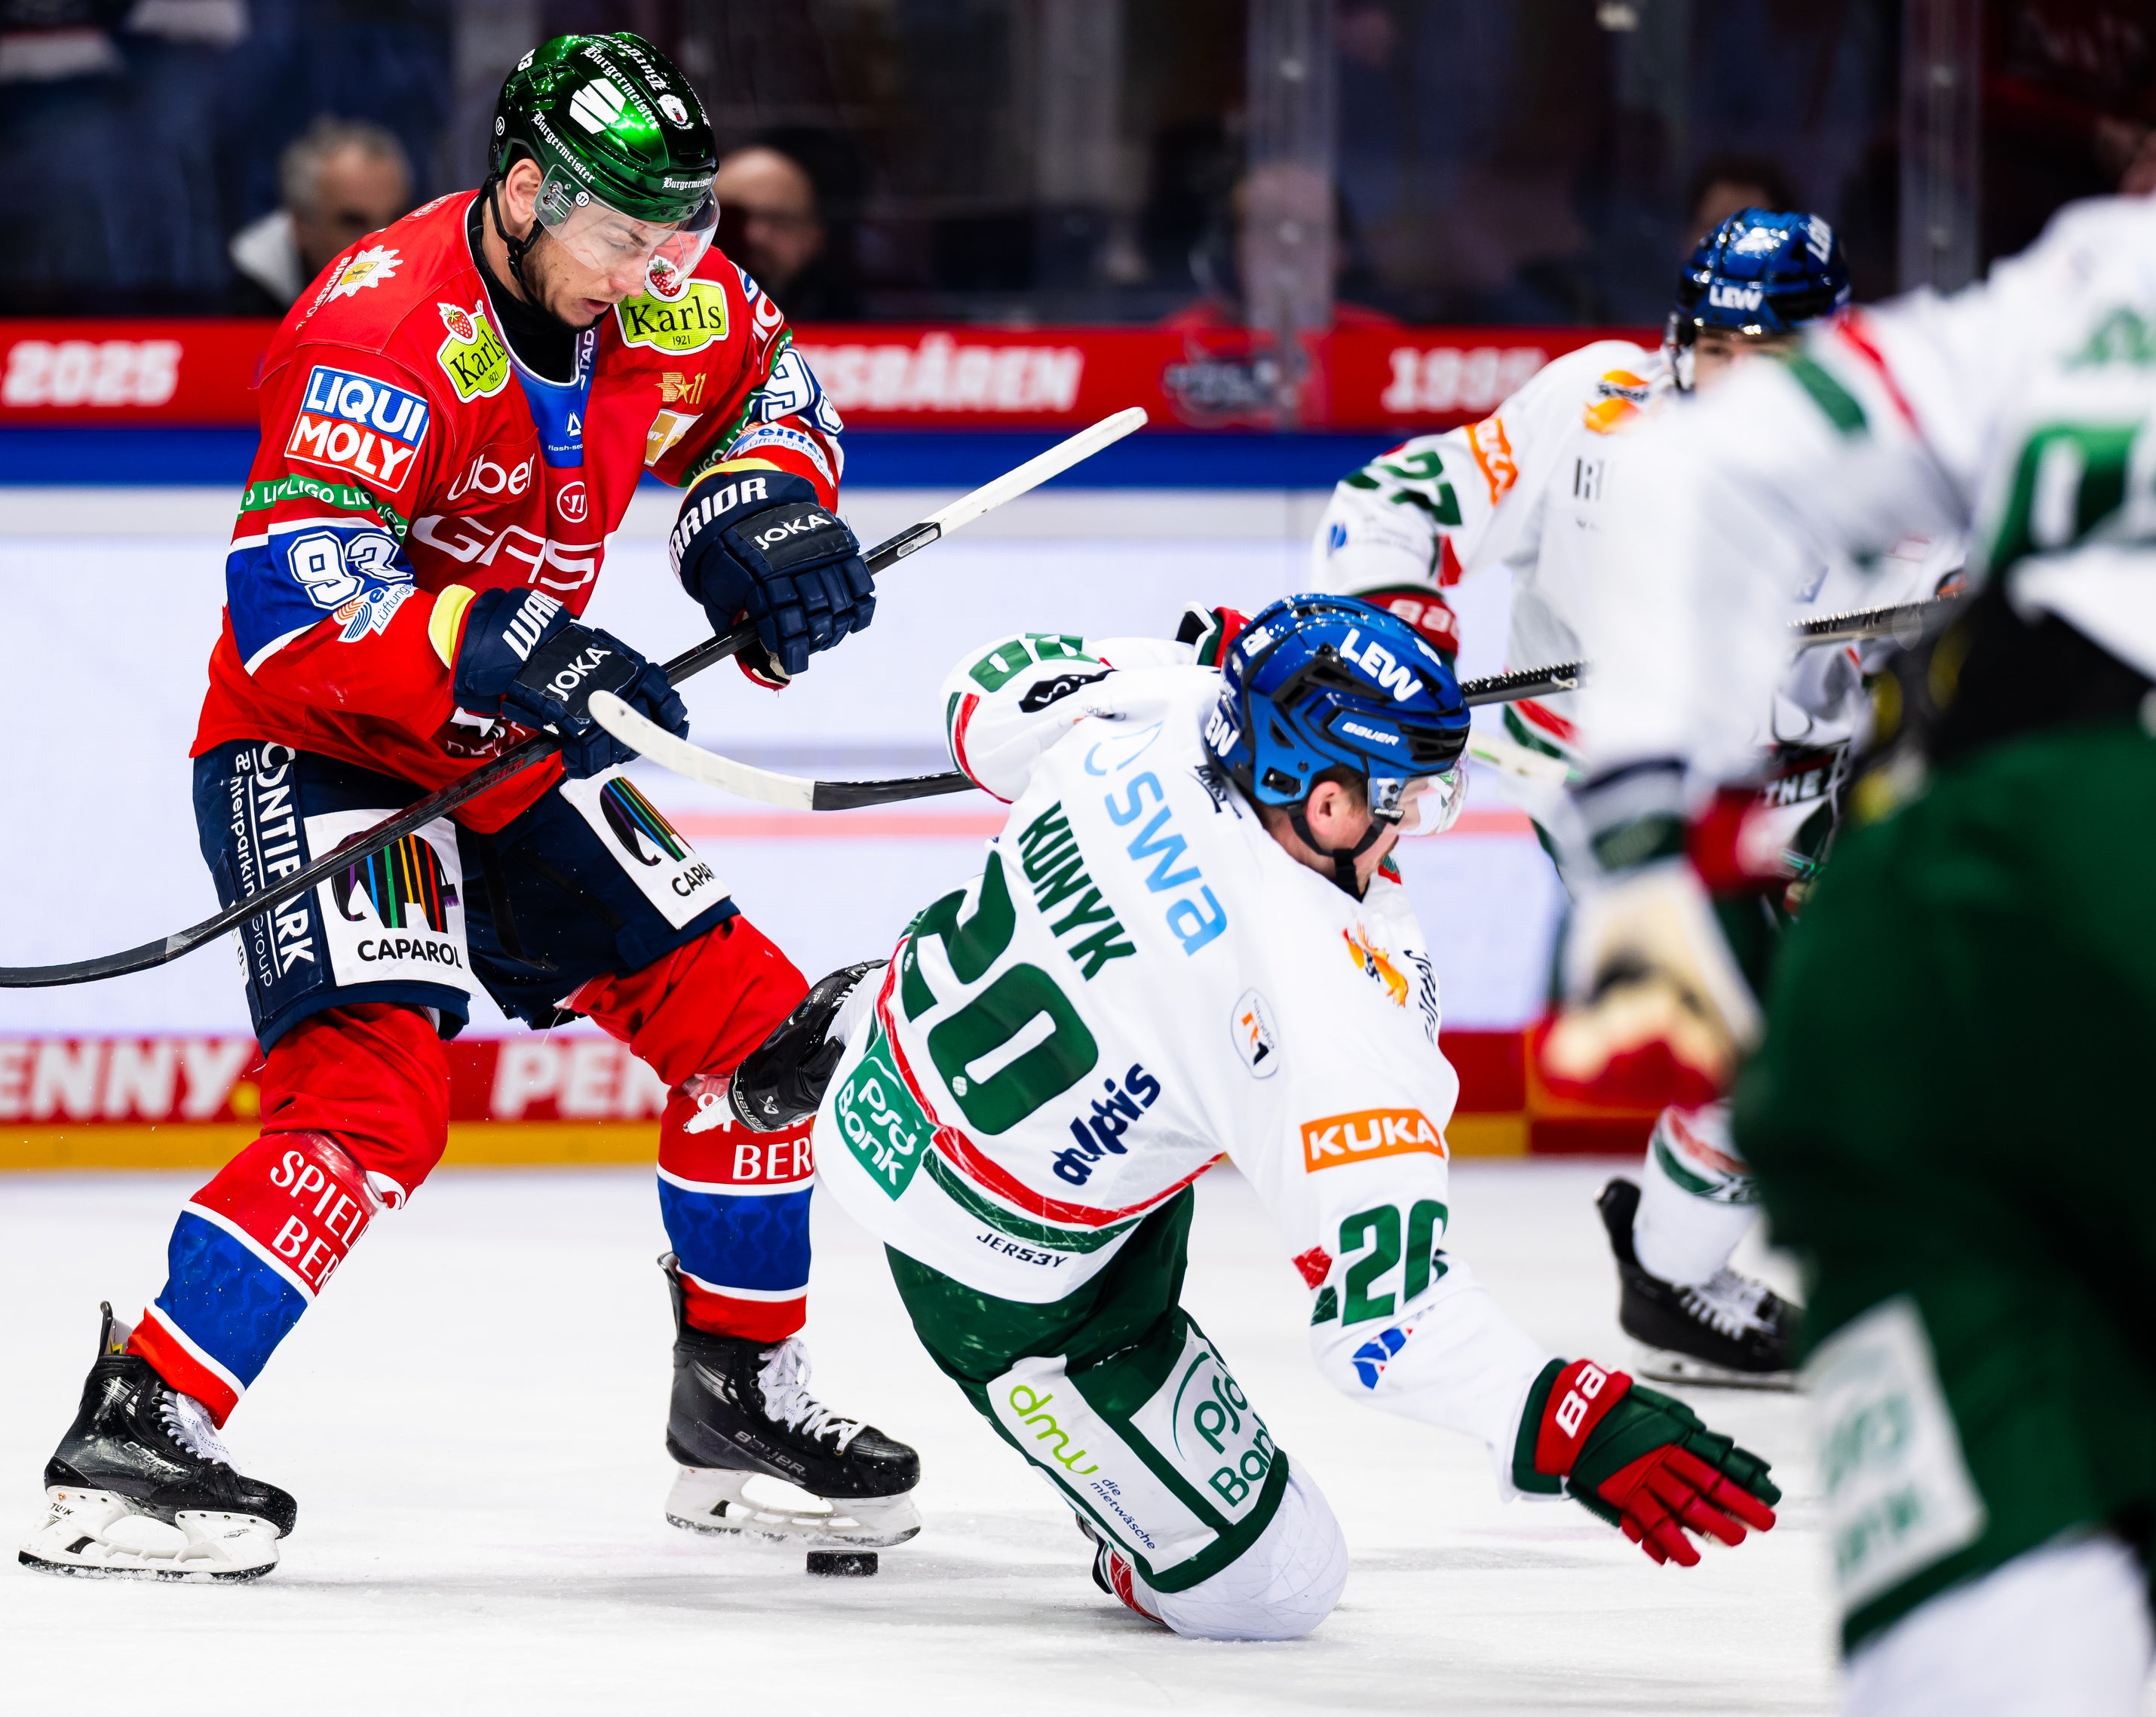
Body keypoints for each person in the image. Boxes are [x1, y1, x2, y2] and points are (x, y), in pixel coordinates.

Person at [19, 31, 915, 1582]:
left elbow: (765, 386)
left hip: (509, 748)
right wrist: (501, 642)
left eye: (680, 234)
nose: (656, 275)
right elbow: (293, 600)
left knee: (760, 1045)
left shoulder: (659, 284)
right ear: (520, 192)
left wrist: (760, 516)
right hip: (324, 743)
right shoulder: (382, 326)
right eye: (622, 237)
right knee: (373, 1101)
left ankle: (736, 1405)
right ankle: (138, 1426)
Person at [713, 597, 1778, 1639]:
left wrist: (1188, 667)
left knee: (1150, 1063)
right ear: (1324, 803)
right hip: (1011, 1285)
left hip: (930, 1081)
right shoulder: (1320, 1004)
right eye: (1399, 799)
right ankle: (1129, 1523)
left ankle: (869, 1009)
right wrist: (1565, 1417)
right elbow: (1386, 1321)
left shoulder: (1152, 713)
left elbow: (978, 698)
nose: (1410, 824)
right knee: (1276, 1587)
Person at [1549, 194, 2156, 1715]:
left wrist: (1639, 821)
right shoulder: (1591, 412)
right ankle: (1672, 1270)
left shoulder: (2096, 273)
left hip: (1947, 884)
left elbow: (1721, 481)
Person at [1302, 207, 1931, 1387]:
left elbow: (1950, 673)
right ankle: (1672, 1278)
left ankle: (1721, 1255)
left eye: (1773, 359)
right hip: (1600, 777)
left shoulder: (1901, 465)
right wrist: (1397, 615)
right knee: (1755, 1042)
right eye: (1719, 351)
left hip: (1807, 795)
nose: (1737, 383)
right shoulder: (1595, 408)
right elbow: (1395, 500)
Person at [229, 116, 414, 314]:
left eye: (396, 220)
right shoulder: (245, 312)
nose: (381, 244)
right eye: (354, 223)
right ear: (302, 225)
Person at [712, 139, 857, 320]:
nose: (755, 236)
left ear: (814, 237)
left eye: (779, 220)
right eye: (733, 218)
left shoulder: (858, 325)